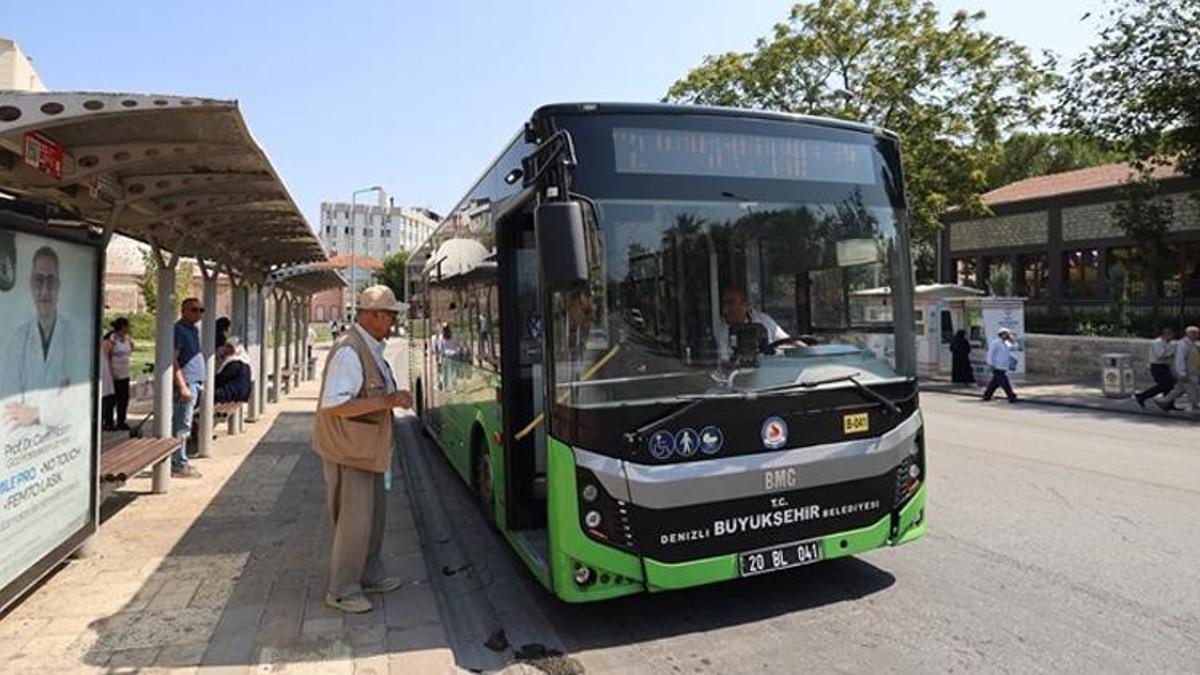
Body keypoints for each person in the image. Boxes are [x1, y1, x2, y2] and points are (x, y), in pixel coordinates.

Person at [312, 285, 413, 614]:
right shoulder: (349, 351)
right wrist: (388, 400)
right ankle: (342, 589)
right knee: (353, 523)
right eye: (389, 314)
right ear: (371, 316)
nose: (394, 321)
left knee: (374, 518)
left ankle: (369, 574)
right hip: (349, 452)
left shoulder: (370, 346)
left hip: (368, 450)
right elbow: (336, 404)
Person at [2, 246, 83, 430]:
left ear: (59, 286)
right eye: (39, 280)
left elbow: (76, 401)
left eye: (51, 281)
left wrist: (37, 414)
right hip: (26, 446)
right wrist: (54, 409)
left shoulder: (72, 336)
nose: (45, 291)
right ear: (31, 285)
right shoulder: (19, 340)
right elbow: (9, 409)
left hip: (61, 443)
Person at [171, 298, 206, 478]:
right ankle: (178, 463)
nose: (198, 313)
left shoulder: (193, 330)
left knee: (186, 422)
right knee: (182, 424)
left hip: (195, 383)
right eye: (194, 310)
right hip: (186, 384)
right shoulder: (179, 330)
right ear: (184, 310)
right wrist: (182, 385)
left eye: (201, 310)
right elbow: (173, 359)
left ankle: (180, 459)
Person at [716, 287, 790, 361]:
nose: (726, 309)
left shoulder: (762, 320)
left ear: (745, 304)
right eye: (724, 303)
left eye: (730, 303)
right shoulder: (718, 327)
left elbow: (787, 342)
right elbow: (721, 361)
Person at [1156, 325, 1200, 413]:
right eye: (1196, 333)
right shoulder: (1183, 344)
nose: (1198, 335)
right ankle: (1195, 406)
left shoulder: (1192, 344)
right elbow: (1180, 359)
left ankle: (1162, 401)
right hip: (1188, 372)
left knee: (1180, 389)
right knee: (1193, 389)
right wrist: (1182, 373)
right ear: (1190, 334)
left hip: (1193, 371)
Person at [102, 317, 134, 430]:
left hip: (125, 372)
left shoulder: (127, 339)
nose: (128, 328)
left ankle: (121, 421)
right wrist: (110, 373)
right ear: (122, 327)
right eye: (126, 326)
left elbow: (131, 349)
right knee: (111, 399)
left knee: (124, 398)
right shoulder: (112, 338)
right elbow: (107, 356)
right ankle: (108, 421)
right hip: (114, 373)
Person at [1135, 326, 1177, 409]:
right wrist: (1172, 353)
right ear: (1166, 334)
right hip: (1157, 366)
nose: (1172, 338)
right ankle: (1142, 396)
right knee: (1164, 385)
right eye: (1171, 335)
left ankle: (1168, 404)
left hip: (1164, 366)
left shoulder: (1167, 343)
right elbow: (1160, 355)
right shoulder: (1158, 342)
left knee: (1169, 386)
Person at [981, 327, 1019, 403]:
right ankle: (1011, 396)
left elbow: (1013, 349)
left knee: (994, 383)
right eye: (1006, 334)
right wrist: (990, 363)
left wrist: (1011, 341)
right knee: (1004, 382)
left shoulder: (1006, 343)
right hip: (997, 366)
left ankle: (987, 395)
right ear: (1002, 335)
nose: (1008, 336)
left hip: (1003, 365)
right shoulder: (995, 343)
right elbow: (990, 354)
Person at [214, 337, 252, 403]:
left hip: (230, 395)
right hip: (241, 396)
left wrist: (219, 362)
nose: (225, 349)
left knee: (204, 394)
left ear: (234, 349)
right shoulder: (245, 362)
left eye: (228, 347)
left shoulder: (234, 363)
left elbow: (219, 380)